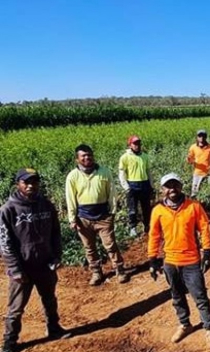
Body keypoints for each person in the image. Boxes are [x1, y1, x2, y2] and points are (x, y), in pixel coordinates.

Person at [0, 169, 71, 352]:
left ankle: (54, 329)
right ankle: (9, 342)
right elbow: (4, 242)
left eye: (34, 181)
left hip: (45, 265)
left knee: (49, 300)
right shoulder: (8, 209)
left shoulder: (46, 205)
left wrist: (56, 256)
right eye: (26, 182)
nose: (31, 185)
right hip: (22, 269)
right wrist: (15, 269)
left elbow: (56, 233)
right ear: (18, 184)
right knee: (15, 309)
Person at [147, 173, 210, 350]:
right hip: (170, 262)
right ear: (163, 189)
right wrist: (152, 259)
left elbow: (204, 228)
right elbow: (154, 235)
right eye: (168, 186)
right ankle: (185, 324)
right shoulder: (158, 210)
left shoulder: (193, 206)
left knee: (200, 296)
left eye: (175, 185)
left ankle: (209, 329)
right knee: (177, 296)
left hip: (191, 261)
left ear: (181, 186)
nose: (172, 189)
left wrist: (207, 253)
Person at [65, 144, 129, 286]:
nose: (87, 158)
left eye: (89, 155)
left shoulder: (104, 172)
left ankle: (119, 269)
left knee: (110, 245)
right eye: (83, 156)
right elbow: (70, 198)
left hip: (103, 216)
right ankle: (96, 272)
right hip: (83, 218)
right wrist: (72, 219)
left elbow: (112, 192)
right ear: (77, 159)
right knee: (89, 248)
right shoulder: (72, 176)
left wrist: (112, 212)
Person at [119, 135, 153, 237]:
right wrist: (126, 187)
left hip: (145, 184)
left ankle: (147, 226)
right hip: (132, 185)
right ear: (130, 145)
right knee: (132, 208)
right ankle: (133, 227)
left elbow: (148, 172)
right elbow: (122, 173)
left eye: (138, 143)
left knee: (146, 208)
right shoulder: (125, 157)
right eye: (135, 143)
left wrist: (151, 185)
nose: (137, 145)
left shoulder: (145, 156)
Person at [186, 129, 210, 197]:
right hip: (197, 173)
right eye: (200, 136)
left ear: (206, 137)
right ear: (197, 137)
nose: (201, 138)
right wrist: (189, 160)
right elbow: (190, 159)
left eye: (203, 136)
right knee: (194, 193)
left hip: (209, 174)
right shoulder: (193, 147)